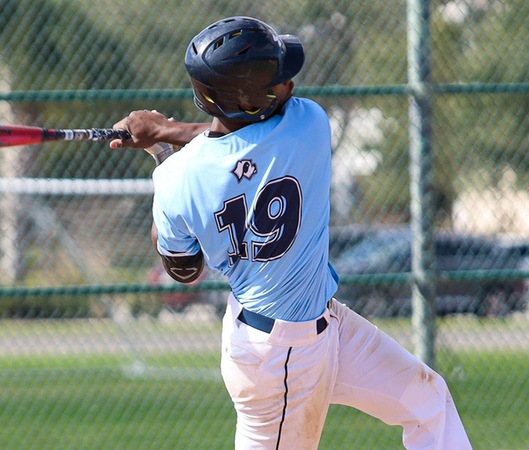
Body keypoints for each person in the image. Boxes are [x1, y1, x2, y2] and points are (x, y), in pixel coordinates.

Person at [110, 16, 472, 450]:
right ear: (249, 103)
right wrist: (165, 132)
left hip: (320, 328)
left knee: (427, 399)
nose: (290, 83)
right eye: (277, 82)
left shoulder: (175, 179)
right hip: (280, 356)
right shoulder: (310, 126)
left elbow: (184, 270)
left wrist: (161, 151)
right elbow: (239, 141)